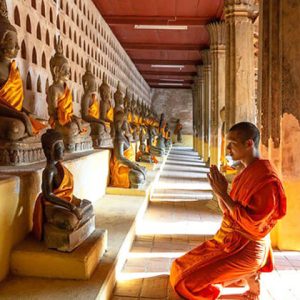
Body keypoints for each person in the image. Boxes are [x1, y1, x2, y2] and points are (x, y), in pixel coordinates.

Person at [170, 122, 286, 300]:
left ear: (249, 144)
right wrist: (219, 193)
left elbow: (255, 227)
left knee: (184, 283)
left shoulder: (266, 180)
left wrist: (224, 193)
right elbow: (230, 212)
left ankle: (242, 274)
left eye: (232, 144)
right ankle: (236, 277)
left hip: (246, 247)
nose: (227, 149)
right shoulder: (247, 172)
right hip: (229, 240)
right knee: (178, 267)